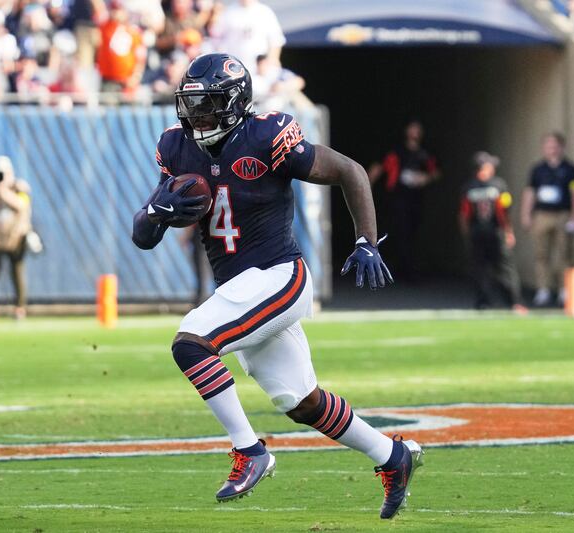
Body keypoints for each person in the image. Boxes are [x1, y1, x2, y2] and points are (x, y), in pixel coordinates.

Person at [131, 53, 423, 519]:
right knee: (300, 401)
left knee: (191, 343)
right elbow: (142, 237)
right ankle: (393, 457)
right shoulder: (176, 147)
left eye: (207, 105)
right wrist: (155, 214)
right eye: (191, 105)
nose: (196, 116)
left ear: (234, 103)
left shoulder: (267, 137)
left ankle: (249, 451)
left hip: (278, 276)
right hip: (239, 289)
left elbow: (351, 171)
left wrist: (367, 241)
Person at [367, 120, 439, 282]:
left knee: (412, 233)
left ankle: (408, 269)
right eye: (412, 129)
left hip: (416, 199)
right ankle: (396, 270)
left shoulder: (424, 153)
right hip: (397, 199)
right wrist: (366, 189)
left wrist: (424, 178)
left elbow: (435, 172)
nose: (415, 133)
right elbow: (378, 168)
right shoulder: (396, 151)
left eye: (418, 130)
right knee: (396, 232)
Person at [520, 132, 574, 307]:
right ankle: (543, 289)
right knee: (541, 253)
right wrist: (526, 214)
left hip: (562, 213)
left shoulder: (571, 169)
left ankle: (565, 289)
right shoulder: (538, 169)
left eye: (554, 146)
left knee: (564, 253)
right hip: (542, 214)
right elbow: (530, 192)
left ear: (561, 147)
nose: (551, 150)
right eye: (548, 146)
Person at [459, 152, 526, 313]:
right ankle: (504, 302)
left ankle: (498, 302)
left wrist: (466, 233)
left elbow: (463, 215)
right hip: (491, 232)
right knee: (491, 269)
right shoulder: (498, 185)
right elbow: (504, 211)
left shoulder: (469, 187)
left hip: (487, 233)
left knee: (495, 268)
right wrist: (509, 231)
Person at [0, 156, 33, 321]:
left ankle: (20, 308)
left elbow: (21, 205)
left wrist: (3, 190)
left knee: (17, 273)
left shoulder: (20, 188)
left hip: (15, 238)